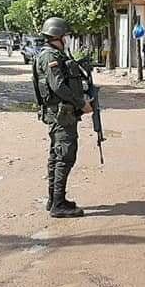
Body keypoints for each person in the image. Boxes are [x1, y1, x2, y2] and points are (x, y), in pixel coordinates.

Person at [33, 17, 92, 218]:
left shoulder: (54, 54)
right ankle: (58, 204)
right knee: (65, 156)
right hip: (61, 114)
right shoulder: (50, 56)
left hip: (61, 113)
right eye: (64, 36)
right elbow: (58, 86)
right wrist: (81, 103)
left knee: (57, 156)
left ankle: (55, 199)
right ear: (56, 36)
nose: (67, 39)